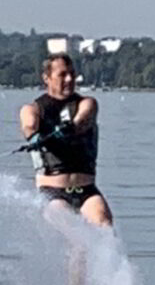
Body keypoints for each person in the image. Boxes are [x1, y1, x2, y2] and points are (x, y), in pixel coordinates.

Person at [19, 52, 113, 227]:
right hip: (53, 194)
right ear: (46, 78)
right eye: (62, 74)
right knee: (77, 239)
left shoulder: (87, 103)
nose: (69, 79)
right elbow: (29, 125)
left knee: (104, 224)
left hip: (87, 192)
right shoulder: (32, 109)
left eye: (72, 74)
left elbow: (84, 119)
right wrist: (35, 137)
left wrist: (70, 127)